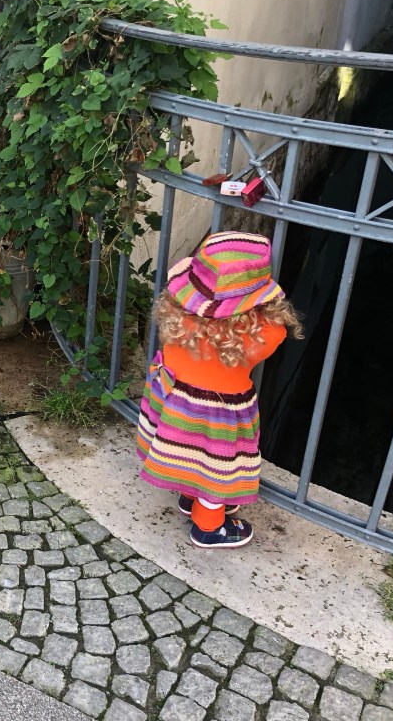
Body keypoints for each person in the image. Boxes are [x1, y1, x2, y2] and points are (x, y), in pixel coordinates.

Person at [136, 231, 303, 548]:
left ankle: (190, 496)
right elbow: (276, 331)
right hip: (219, 415)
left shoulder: (175, 314)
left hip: (173, 402)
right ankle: (208, 527)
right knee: (217, 467)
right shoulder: (264, 334)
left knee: (188, 451)